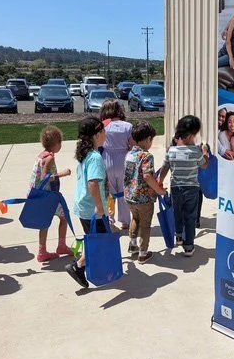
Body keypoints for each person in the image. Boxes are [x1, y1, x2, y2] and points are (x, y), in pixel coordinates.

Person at [66, 116, 109, 287]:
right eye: (103, 131)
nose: (105, 134)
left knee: (95, 239)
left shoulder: (86, 154)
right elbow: (93, 183)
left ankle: (88, 265)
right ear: (96, 135)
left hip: (84, 207)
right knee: (99, 242)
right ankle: (78, 266)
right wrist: (100, 207)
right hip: (93, 210)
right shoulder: (95, 157)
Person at [158, 115, 209, 256]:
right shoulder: (195, 152)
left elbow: (164, 168)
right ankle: (188, 246)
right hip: (192, 189)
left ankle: (179, 235)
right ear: (192, 135)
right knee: (190, 217)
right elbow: (204, 166)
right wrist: (205, 154)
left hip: (176, 188)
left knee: (177, 213)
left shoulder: (171, 151)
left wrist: (160, 181)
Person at [124, 122, 166, 263]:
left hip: (129, 196)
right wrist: (159, 190)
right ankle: (143, 252)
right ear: (148, 139)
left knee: (135, 218)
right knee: (145, 224)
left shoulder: (129, 154)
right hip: (144, 198)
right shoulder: (146, 156)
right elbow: (147, 176)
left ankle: (133, 245)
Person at [29, 126, 72, 262]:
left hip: (40, 195)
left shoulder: (41, 155)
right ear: (57, 143)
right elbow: (44, 177)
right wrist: (62, 174)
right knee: (64, 217)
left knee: (45, 223)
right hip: (48, 196)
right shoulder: (49, 158)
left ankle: (42, 251)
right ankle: (62, 246)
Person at [100, 100, 134, 230]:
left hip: (107, 158)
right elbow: (131, 145)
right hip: (123, 158)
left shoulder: (103, 125)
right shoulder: (128, 126)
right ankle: (125, 221)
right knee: (124, 190)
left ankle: (110, 217)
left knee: (109, 191)